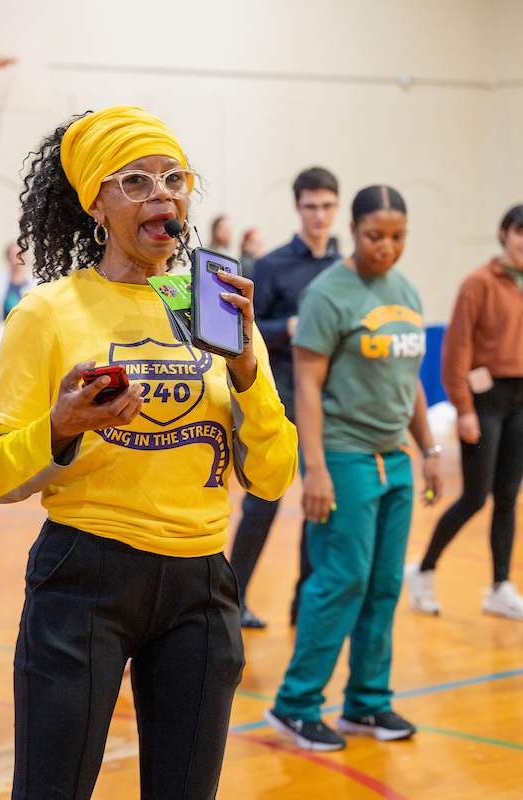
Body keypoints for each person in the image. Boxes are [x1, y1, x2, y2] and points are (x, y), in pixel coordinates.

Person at [0, 106, 298, 799]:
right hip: (87, 574)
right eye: (136, 181)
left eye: (175, 178)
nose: (163, 194)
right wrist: (59, 426)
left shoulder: (212, 308)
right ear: (96, 202)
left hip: (201, 586)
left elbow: (271, 476)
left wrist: (246, 371)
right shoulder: (48, 313)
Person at [267, 185, 442, 752]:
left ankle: (368, 703)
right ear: (356, 228)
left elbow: (408, 377)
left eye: (397, 237)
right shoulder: (328, 294)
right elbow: (309, 388)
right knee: (341, 580)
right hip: (344, 456)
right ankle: (296, 705)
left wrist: (429, 449)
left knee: (385, 584)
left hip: (395, 458)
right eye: (375, 236)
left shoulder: (406, 289)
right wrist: (313, 469)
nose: (386, 248)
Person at [405, 204, 523, 620]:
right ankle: (422, 570)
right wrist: (464, 408)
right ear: (504, 234)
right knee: (476, 497)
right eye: (521, 232)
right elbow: (456, 352)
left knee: (508, 498)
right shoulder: (477, 283)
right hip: (485, 403)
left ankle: (500, 587)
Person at [230, 166, 341, 629]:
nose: (319, 215)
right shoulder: (272, 265)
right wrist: (289, 328)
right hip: (278, 398)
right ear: (298, 208)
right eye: (311, 206)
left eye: (327, 206)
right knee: (261, 506)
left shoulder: (342, 267)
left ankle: (305, 602)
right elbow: (247, 328)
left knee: (319, 504)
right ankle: (230, 603)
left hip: (328, 403)